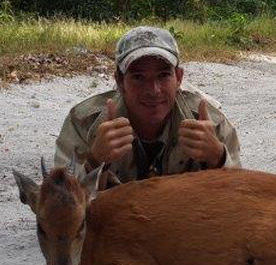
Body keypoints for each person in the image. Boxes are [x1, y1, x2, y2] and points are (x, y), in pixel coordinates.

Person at [53, 26, 240, 182]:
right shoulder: (84, 122)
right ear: (119, 81)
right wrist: (94, 161)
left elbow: (240, 197)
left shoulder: (211, 123)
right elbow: (56, 207)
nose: (153, 90)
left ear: (179, 78)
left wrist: (218, 157)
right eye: (138, 77)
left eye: (163, 75)